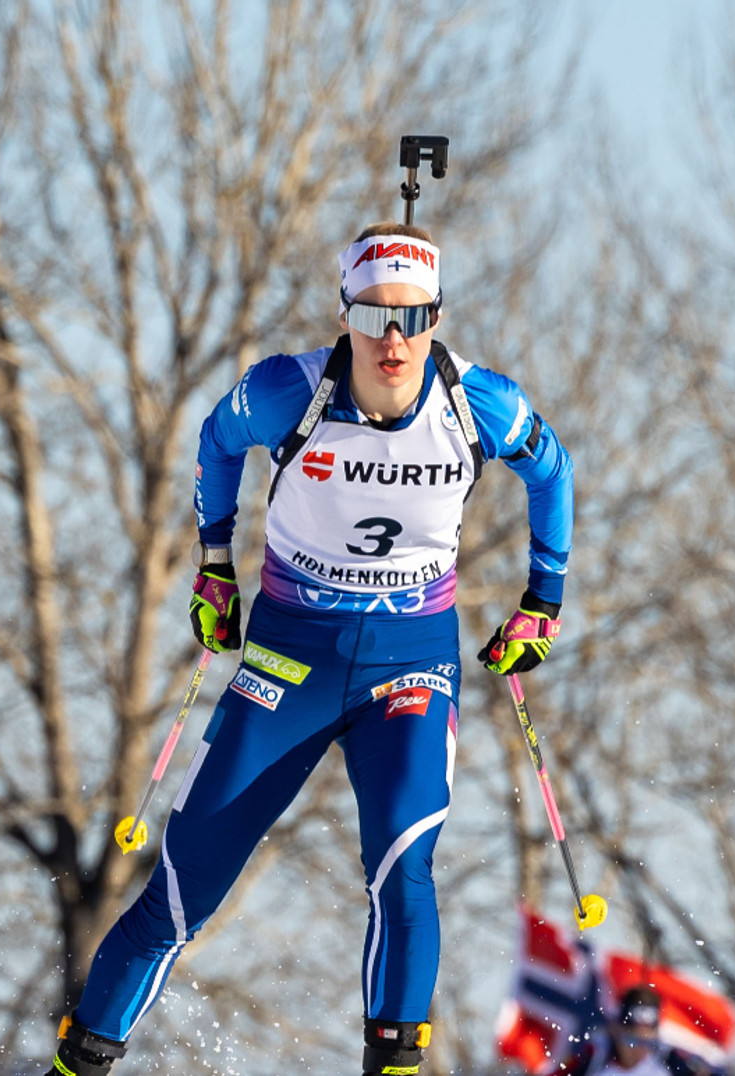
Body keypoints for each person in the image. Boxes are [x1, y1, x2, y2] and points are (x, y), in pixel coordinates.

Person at [49, 220, 574, 1076]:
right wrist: (213, 564)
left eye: (413, 317)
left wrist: (541, 604)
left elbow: (553, 473)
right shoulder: (289, 392)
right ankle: (78, 1066)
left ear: (438, 317)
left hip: (410, 662)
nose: (393, 339)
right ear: (346, 315)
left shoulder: (480, 404)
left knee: (404, 866)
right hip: (292, 660)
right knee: (183, 887)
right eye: (373, 318)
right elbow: (218, 442)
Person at [548, 986, 720, 1076]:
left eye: (648, 1042)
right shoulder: (593, 1062)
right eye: (632, 1041)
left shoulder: (670, 1065)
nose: (639, 1049)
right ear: (616, 1031)